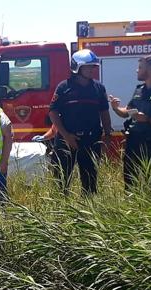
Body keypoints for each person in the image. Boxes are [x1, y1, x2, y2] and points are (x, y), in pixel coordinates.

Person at [47, 49, 112, 195]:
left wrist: (107, 135)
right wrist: (66, 135)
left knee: (90, 182)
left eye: (94, 66)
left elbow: (104, 112)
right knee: (61, 181)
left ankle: (87, 212)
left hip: (91, 140)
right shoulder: (64, 87)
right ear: (77, 67)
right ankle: (61, 212)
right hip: (66, 139)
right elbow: (53, 112)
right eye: (88, 66)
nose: (92, 70)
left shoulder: (99, 88)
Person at [110, 55, 151, 190]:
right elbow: (127, 112)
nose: (137, 70)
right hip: (133, 141)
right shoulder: (139, 89)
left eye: (140, 67)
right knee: (130, 180)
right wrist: (116, 108)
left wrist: (148, 119)